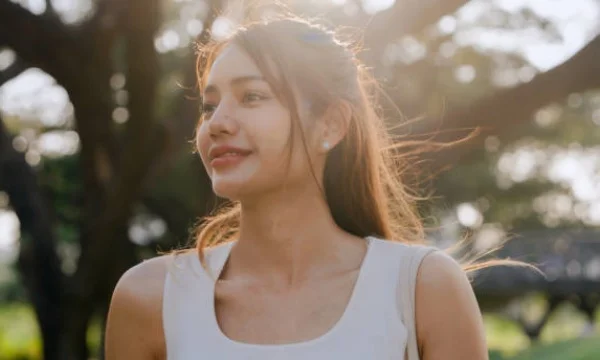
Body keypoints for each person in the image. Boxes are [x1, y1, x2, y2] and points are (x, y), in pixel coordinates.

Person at [105, 16, 489, 360]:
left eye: (252, 96)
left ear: (331, 125)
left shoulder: (423, 289)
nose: (217, 123)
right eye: (209, 106)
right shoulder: (150, 298)